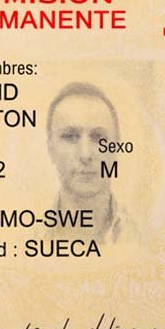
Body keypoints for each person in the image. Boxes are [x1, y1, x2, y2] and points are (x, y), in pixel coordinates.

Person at [46, 82, 137, 244]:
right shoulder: (27, 238)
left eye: (98, 137)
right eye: (70, 136)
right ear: (51, 148)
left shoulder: (142, 240)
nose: (85, 154)